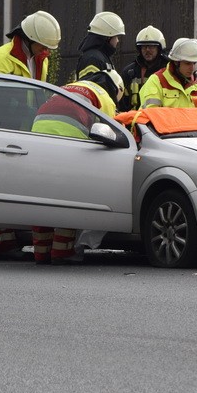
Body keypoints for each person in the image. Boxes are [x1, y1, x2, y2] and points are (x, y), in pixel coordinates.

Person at [0, 10, 62, 261]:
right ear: (30, 38)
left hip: (27, 130)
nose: (47, 50)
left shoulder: (41, 58)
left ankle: (4, 242)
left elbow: (38, 94)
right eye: (43, 45)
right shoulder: (1, 58)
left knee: (12, 187)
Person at [30, 69, 124, 264]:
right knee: (68, 199)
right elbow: (111, 130)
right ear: (116, 89)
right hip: (67, 144)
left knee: (43, 198)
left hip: (37, 136)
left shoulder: (68, 87)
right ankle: (61, 253)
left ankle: (40, 253)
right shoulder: (103, 96)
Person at [0, 10, 61, 81]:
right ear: (30, 38)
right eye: (43, 46)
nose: (45, 50)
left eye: (47, 47)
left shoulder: (43, 60)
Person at [138, 38, 197, 108]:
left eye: (194, 63)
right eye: (187, 63)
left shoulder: (196, 86)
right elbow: (151, 114)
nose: (192, 68)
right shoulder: (156, 81)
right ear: (176, 62)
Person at [119, 25, 168, 112]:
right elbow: (122, 104)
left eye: (151, 46)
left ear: (159, 49)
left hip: (161, 121)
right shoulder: (129, 72)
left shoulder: (169, 70)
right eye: (144, 47)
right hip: (135, 122)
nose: (147, 50)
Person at [77, 11, 126, 80]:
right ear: (108, 37)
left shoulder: (100, 57)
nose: (117, 41)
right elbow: (90, 87)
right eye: (116, 37)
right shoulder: (93, 59)